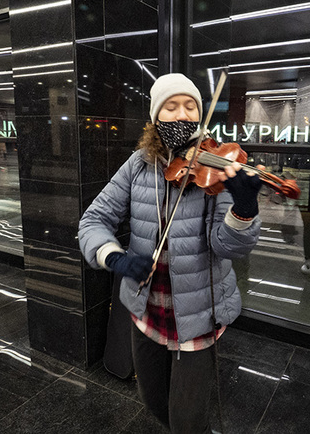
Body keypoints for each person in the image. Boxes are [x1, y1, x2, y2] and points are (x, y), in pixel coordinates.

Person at [78, 73, 262, 433]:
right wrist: (112, 256)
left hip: (198, 314)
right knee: (155, 403)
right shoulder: (138, 164)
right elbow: (94, 219)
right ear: (156, 117)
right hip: (147, 310)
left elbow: (226, 246)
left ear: (199, 114)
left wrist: (243, 208)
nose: (181, 114)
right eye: (171, 107)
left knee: (188, 420)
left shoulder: (216, 167)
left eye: (190, 106)